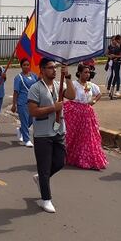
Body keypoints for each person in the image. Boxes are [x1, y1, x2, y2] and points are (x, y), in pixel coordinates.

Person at [27, 58, 76, 213]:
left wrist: (68, 77)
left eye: (55, 67)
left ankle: (40, 178)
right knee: (44, 167)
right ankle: (45, 199)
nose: (54, 70)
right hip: (42, 133)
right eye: (50, 67)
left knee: (60, 162)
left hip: (59, 130)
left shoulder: (58, 85)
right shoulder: (35, 88)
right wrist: (53, 108)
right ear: (42, 70)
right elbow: (33, 111)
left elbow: (72, 95)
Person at [64, 63, 107, 170]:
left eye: (89, 72)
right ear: (79, 73)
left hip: (87, 113)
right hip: (75, 112)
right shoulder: (74, 84)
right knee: (73, 136)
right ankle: (71, 156)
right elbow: (68, 94)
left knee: (88, 136)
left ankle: (89, 159)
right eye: (85, 72)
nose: (87, 74)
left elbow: (99, 94)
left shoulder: (90, 85)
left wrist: (94, 101)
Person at [12, 58, 38, 147]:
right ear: (21, 66)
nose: (26, 66)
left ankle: (20, 130)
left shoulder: (34, 76)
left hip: (33, 102)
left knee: (31, 120)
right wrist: (14, 104)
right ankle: (27, 140)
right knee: (24, 121)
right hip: (22, 102)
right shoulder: (18, 78)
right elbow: (16, 92)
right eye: (24, 65)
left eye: (28, 65)